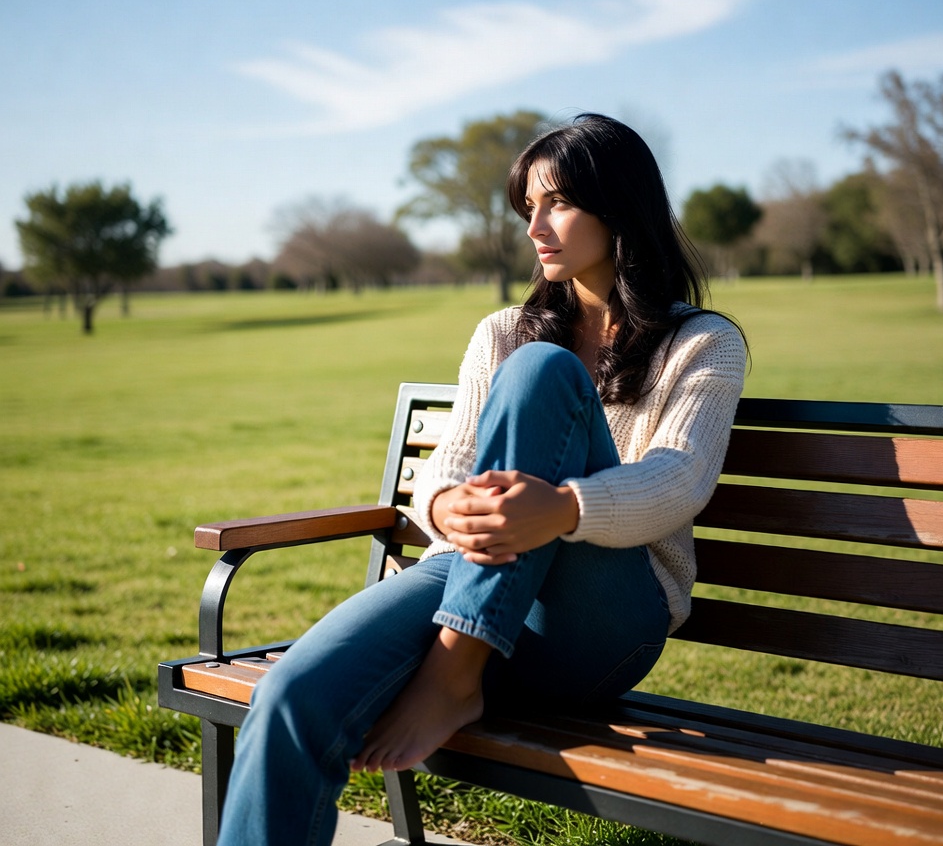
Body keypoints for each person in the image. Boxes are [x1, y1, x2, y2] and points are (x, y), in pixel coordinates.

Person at [217, 113, 747, 846]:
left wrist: (562, 509)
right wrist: (447, 502)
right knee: (288, 698)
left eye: (556, 202)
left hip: (602, 615)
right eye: (527, 207)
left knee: (542, 372)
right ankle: (458, 663)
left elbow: (678, 479)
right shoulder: (502, 329)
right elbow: (446, 469)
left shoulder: (703, 344)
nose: (536, 225)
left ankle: (453, 677)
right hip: (479, 578)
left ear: (618, 206)